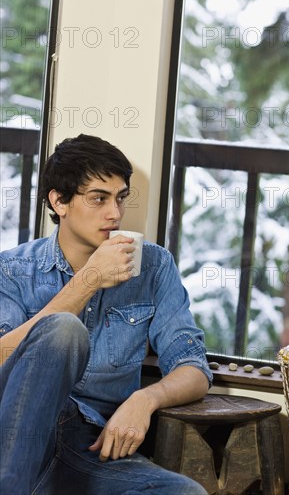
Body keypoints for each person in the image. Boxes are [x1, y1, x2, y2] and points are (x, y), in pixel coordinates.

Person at [0, 134, 212, 495]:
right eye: (98, 198)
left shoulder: (154, 266)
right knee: (63, 329)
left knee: (186, 493)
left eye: (120, 198)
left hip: (88, 447)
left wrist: (145, 399)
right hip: (14, 437)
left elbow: (194, 368)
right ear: (59, 201)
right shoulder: (14, 268)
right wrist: (89, 280)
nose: (114, 213)